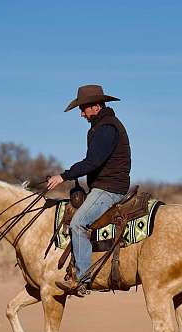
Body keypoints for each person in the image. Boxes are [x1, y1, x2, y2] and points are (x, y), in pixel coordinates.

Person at [47, 84, 131, 296]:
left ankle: (82, 279)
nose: (81, 113)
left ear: (95, 106)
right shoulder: (100, 126)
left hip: (109, 188)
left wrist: (64, 176)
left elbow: (92, 162)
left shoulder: (106, 128)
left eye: (83, 108)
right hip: (105, 185)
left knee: (77, 223)